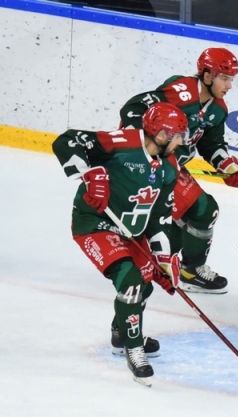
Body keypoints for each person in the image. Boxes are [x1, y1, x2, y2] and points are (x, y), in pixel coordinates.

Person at [53, 102, 188, 385]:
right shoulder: (121, 143)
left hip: (132, 232)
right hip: (95, 224)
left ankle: (121, 333)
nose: (181, 141)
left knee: (147, 283)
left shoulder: (169, 168)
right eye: (177, 135)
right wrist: (90, 174)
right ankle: (133, 347)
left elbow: (161, 217)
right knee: (130, 282)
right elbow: (67, 140)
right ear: (161, 135)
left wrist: (164, 259)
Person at [119, 47, 238, 295]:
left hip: (171, 169)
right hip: (149, 167)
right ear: (207, 76)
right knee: (202, 209)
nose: (229, 85)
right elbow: (131, 110)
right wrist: (145, 153)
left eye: (232, 79)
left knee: (196, 212)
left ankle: (163, 263)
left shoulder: (217, 108)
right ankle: (185, 269)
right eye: (224, 78)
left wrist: (228, 166)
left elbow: (211, 144)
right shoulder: (180, 91)